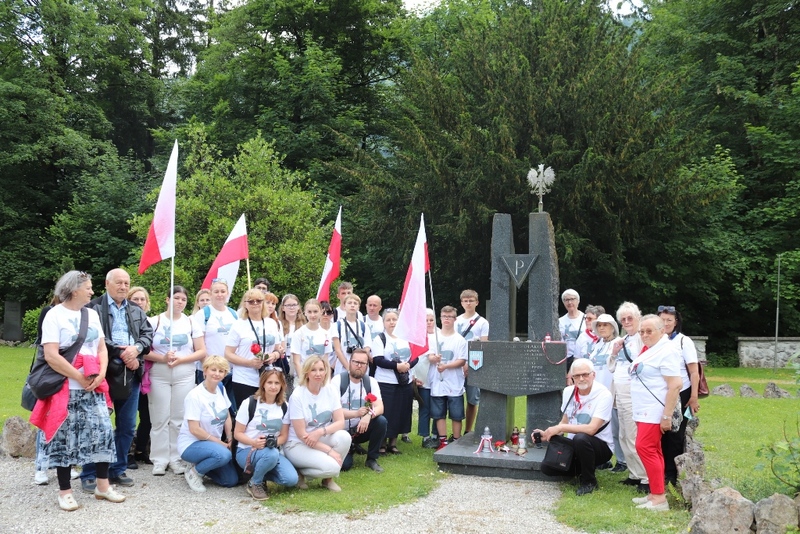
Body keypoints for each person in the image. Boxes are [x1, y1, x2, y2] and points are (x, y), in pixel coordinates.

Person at [31, 270, 125, 511]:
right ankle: (65, 491)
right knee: (64, 439)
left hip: (94, 387)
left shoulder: (92, 314)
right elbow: (51, 355)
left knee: (103, 433)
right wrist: (79, 377)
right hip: (66, 388)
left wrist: (101, 373)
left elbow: (102, 348)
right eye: (88, 288)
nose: (92, 291)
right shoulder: (54, 316)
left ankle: (102, 487)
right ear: (74, 290)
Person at [81, 268, 153, 494]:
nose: (123, 286)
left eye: (126, 283)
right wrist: (124, 353)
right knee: (96, 426)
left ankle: (118, 468)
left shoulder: (136, 310)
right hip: (102, 373)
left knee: (127, 425)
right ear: (107, 283)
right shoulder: (92, 308)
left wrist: (137, 349)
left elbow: (147, 335)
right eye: (119, 282)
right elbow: (92, 337)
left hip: (130, 374)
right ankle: (90, 472)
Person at [145, 285, 207, 476]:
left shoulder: (191, 323)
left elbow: (201, 351)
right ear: (167, 299)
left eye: (183, 299)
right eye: (176, 298)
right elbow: (145, 350)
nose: (180, 302)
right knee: (159, 417)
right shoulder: (154, 321)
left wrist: (181, 359)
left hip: (184, 373)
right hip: (159, 372)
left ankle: (176, 458)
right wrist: (162, 358)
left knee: (179, 418)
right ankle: (159, 459)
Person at [534, 359, 613, 496]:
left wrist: (560, 428)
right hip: (574, 444)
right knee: (546, 468)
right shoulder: (568, 392)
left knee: (581, 438)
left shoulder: (603, 394)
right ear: (572, 378)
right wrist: (548, 434)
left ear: (593, 375)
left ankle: (589, 481)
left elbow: (592, 429)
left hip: (600, 446)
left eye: (585, 374)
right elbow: (564, 421)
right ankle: (581, 468)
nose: (581, 379)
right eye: (577, 376)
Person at [629, 314, 682, 512]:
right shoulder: (652, 349)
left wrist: (666, 416)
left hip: (654, 411)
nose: (644, 335)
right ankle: (655, 493)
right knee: (653, 451)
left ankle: (659, 499)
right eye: (642, 331)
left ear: (662, 330)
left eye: (649, 331)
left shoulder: (667, 351)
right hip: (643, 410)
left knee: (645, 448)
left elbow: (675, 385)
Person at [283, 356, 351, 491]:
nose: (318, 373)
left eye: (321, 369)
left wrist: (321, 431)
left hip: (318, 436)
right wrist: (329, 451)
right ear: (307, 373)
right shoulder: (297, 396)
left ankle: (327, 480)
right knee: (333, 466)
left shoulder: (330, 390)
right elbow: (302, 434)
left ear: (326, 371)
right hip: (298, 443)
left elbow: (340, 422)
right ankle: (299, 471)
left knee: (344, 437)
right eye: (313, 370)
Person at [233, 369, 298, 500]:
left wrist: (274, 442)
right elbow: (237, 433)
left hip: (270, 450)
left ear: (282, 386)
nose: (273, 387)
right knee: (272, 454)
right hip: (247, 449)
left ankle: (260, 475)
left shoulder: (284, 406)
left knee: (291, 479)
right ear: (263, 384)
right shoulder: (250, 403)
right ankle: (255, 483)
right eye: (269, 382)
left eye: (277, 383)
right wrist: (254, 442)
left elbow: (284, 436)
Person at [178, 355, 239, 492]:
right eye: (213, 370)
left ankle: (200, 464)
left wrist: (230, 438)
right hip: (192, 443)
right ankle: (194, 472)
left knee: (230, 480)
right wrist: (221, 444)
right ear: (205, 371)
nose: (217, 374)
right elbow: (195, 430)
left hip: (213, 444)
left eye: (221, 371)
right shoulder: (195, 396)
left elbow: (227, 415)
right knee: (224, 455)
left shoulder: (221, 388)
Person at [658, 305, 700, 486]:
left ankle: (672, 474)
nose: (666, 323)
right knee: (659, 433)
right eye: (662, 319)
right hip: (659, 393)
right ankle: (659, 471)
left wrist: (694, 396)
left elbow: (694, 372)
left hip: (680, 392)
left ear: (676, 322)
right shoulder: (655, 340)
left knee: (675, 434)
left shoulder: (683, 341)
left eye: (669, 320)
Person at [609, 302, 648, 487]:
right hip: (620, 393)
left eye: (629, 318)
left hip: (634, 394)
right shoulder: (625, 338)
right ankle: (634, 474)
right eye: (623, 319)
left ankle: (645, 477)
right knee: (624, 435)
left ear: (637, 317)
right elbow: (612, 367)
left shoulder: (642, 336)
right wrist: (615, 353)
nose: (626, 322)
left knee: (633, 436)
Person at [329, 348, 387, 472]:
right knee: (345, 466)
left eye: (363, 363)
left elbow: (380, 407)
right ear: (350, 362)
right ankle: (349, 447)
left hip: (361, 429)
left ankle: (372, 459)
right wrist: (356, 413)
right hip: (341, 431)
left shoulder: (371, 382)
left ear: (367, 365)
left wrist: (367, 416)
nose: (359, 366)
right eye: (356, 362)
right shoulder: (337, 381)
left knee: (381, 421)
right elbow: (334, 412)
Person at [370, 308, 418, 454]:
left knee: (401, 411)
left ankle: (393, 442)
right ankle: (382, 443)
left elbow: (416, 355)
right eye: (388, 320)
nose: (392, 322)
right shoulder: (380, 339)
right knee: (387, 412)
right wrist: (396, 366)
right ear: (383, 322)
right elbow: (378, 360)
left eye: (394, 319)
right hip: (386, 382)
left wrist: (408, 365)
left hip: (404, 382)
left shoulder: (408, 338)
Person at [225, 288, 283, 406]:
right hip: (244, 378)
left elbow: (278, 349)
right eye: (251, 301)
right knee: (246, 415)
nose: (255, 303)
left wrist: (273, 355)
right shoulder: (238, 325)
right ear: (245, 304)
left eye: (259, 300)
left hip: (267, 377)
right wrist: (249, 363)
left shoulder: (271, 323)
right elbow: (228, 353)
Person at [429, 305, 468, 450]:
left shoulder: (460, 340)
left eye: (450, 317)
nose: (446, 319)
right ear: (440, 318)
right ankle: (443, 441)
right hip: (437, 382)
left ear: (454, 319)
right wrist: (435, 358)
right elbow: (430, 356)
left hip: (454, 381)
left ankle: (456, 440)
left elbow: (462, 360)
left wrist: (446, 366)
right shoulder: (434, 338)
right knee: (439, 413)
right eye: (444, 316)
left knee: (456, 414)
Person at [456, 289, 489, 435]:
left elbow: (483, 345)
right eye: (465, 301)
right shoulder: (456, 320)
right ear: (461, 302)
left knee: (472, 400)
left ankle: (468, 430)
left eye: (471, 300)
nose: (468, 303)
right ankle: (455, 431)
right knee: (455, 398)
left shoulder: (482, 322)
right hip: (456, 364)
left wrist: (469, 363)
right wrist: (460, 362)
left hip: (474, 364)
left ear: (477, 302)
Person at [128, 286, 153, 468]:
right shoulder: (125, 321)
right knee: (127, 417)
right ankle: (127, 453)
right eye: (135, 299)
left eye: (142, 299)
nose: (139, 302)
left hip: (149, 377)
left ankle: (141, 449)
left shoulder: (152, 322)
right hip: (129, 374)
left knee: (147, 417)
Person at [291, 299, 334, 383]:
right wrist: (304, 381)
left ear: (321, 312)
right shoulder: (299, 333)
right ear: (305, 313)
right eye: (309, 312)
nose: (312, 315)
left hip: (320, 378)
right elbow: (296, 361)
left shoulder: (326, 334)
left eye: (315, 311)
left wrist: (327, 381)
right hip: (303, 377)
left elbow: (326, 360)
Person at [416, 309, 439, 448]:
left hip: (438, 378)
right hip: (424, 378)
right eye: (426, 320)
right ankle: (425, 436)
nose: (429, 323)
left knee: (437, 408)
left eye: (431, 320)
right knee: (424, 407)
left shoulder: (440, 334)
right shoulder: (418, 337)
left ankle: (436, 435)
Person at [332, 293, 367, 374]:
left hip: (360, 368)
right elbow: (337, 350)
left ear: (358, 307)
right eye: (349, 303)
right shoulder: (337, 325)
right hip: (342, 368)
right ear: (344, 306)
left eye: (355, 303)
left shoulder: (364, 326)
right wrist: (349, 368)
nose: (352, 305)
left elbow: (367, 347)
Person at [278, 293, 305, 396]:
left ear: (298, 307)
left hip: (298, 363)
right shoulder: (278, 324)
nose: (291, 308)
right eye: (288, 305)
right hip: (283, 363)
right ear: (283, 308)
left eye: (294, 305)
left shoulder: (304, 325)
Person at [586, 313, 619, 391]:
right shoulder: (597, 343)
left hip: (611, 387)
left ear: (612, 327)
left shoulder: (618, 343)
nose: (601, 328)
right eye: (599, 325)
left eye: (605, 325)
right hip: (594, 387)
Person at [558, 289, 585, 370]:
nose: (569, 302)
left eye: (572, 299)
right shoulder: (560, 321)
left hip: (583, 359)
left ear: (578, 301)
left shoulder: (586, 319)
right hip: (566, 360)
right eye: (566, 300)